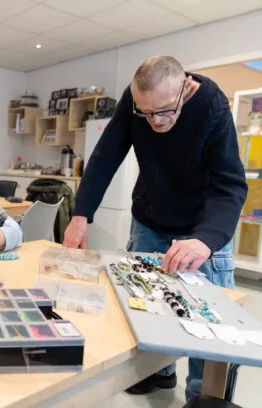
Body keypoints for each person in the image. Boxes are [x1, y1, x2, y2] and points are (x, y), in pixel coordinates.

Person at [63, 56, 247, 399]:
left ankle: (200, 394)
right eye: (146, 113)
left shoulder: (212, 105)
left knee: (206, 319)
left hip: (203, 226)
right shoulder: (135, 103)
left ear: (184, 90)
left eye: (164, 111)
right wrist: (81, 214)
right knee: (145, 301)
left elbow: (230, 186)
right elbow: (105, 155)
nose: (156, 122)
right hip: (151, 216)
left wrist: (205, 241)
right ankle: (159, 373)